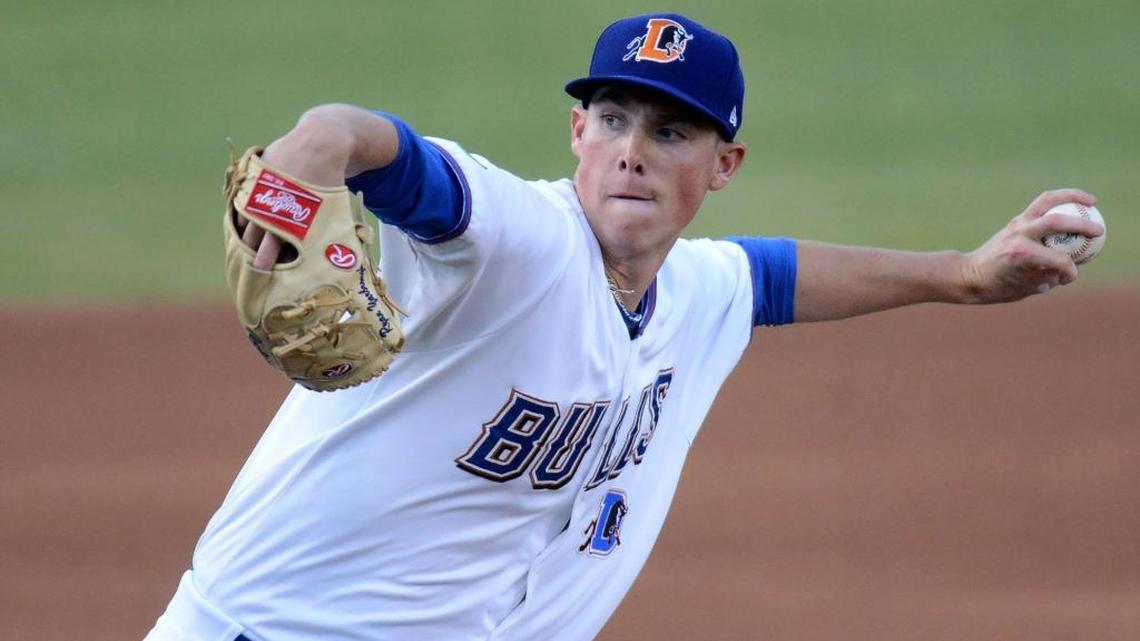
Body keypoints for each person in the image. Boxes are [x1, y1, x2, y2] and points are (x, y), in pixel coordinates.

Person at [144, 12, 1102, 641]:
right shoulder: (518, 237)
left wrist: (967, 276)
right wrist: (313, 149)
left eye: (670, 133)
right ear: (577, 135)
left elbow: (772, 276)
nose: (632, 153)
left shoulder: (691, 291)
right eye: (611, 119)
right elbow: (377, 147)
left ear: (723, 166)